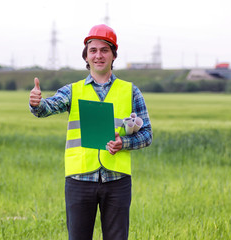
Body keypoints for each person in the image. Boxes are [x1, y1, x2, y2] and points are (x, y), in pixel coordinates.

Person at [29, 24, 152, 240]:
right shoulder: (73, 90)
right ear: (86, 57)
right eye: (93, 50)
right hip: (79, 179)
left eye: (105, 50)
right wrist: (37, 104)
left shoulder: (131, 91)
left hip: (117, 181)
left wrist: (124, 142)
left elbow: (147, 134)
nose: (98, 55)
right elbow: (46, 109)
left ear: (114, 55)